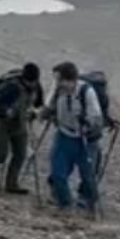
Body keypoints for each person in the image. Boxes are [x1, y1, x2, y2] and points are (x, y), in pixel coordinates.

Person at [41, 61, 104, 212]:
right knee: (58, 173)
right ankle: (65, 204)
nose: (57, 84)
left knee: (88, 176)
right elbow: (47, 107)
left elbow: (96, 117)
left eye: (60, 80)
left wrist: (87, 122)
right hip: (64, 135)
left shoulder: (86, 92)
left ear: (71, 80)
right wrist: (40, 114)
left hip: (84, 140)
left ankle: (89, 204)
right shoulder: (58, 89)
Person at [0, 62, 45, 195]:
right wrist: (4, 112)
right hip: (3, 124)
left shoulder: (36, 86)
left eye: (34, 82)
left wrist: (34, 112)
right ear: (24, 78)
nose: (33, 85)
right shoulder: (10, 86)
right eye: (30, 82)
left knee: (20, 154)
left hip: (21, 124)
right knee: (0, 155)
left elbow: (39, 104)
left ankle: (12, 183)